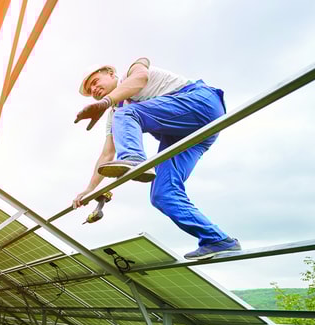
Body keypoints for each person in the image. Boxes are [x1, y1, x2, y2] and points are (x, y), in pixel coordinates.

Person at [72, 58, 240, 260]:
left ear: (110, 72)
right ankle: (217, 240)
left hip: (200, 102)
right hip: (185, 134)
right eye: (90, 90)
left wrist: (105, 103)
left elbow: (141, 77)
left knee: (126, 113)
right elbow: (107, 154)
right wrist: (90, 189)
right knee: (162, 195)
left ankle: (134, 159)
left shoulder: (131, 74)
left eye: (96, 81)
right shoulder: (118, 113)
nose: (95, 89)